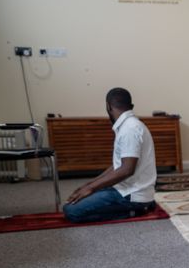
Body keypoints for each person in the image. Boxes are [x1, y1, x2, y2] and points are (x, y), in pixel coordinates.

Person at [64, 88, 157, 222]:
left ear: (108, 106)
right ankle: (139, 206)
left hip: (132, 195)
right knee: (81, 199)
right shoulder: (128, 125)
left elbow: (127, 169)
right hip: (124, 189)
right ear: (131, 106)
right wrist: (91, 184)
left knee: (71, 211)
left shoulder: (130, 129)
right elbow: (118, 166)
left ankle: (135, 210)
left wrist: (91, 188)